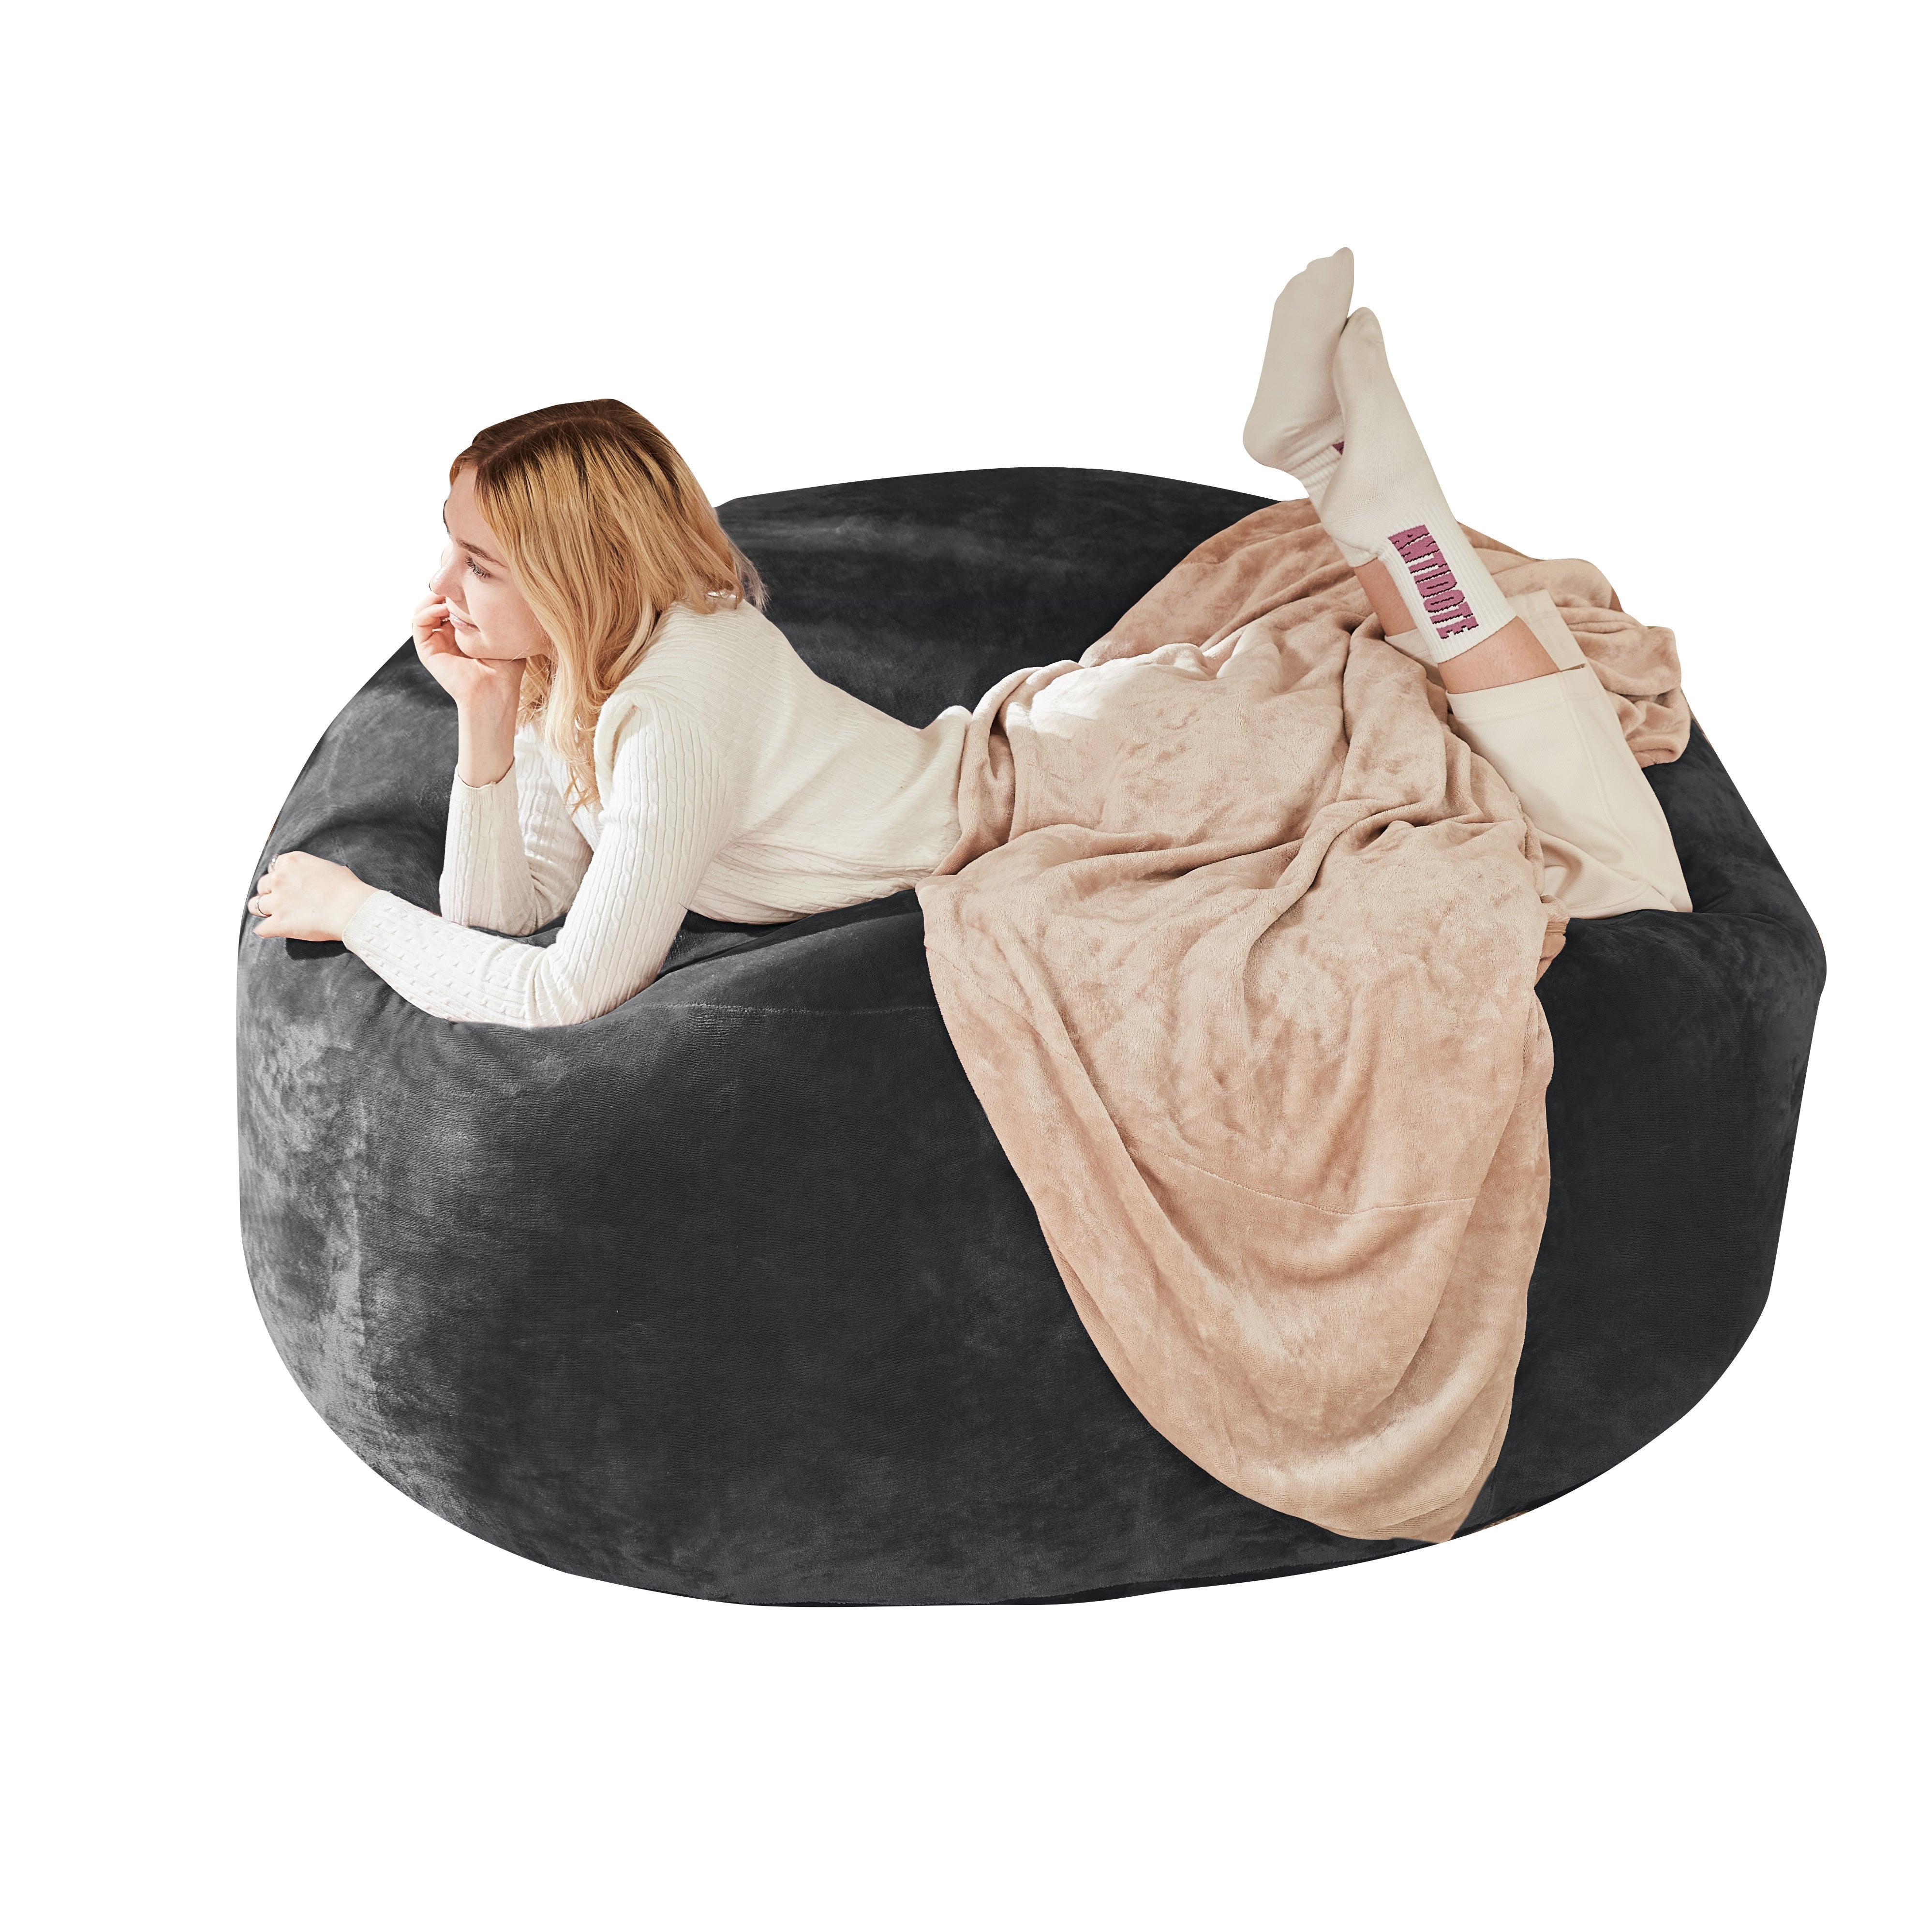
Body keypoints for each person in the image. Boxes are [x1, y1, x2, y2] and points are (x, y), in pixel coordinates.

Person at [247, 251, 1689, 1026]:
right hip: (1064, 756)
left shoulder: (677, 703)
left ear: (576, 571)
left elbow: (567, 991)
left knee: (1621, 882)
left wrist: (357, 914)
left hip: (1094, 793)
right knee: (1502, 778)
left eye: (481, 561)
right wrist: (483, 721)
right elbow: (508, 916)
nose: (443, 588)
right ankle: (1354, 486)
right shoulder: (595, 673)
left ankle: (1377, 501)